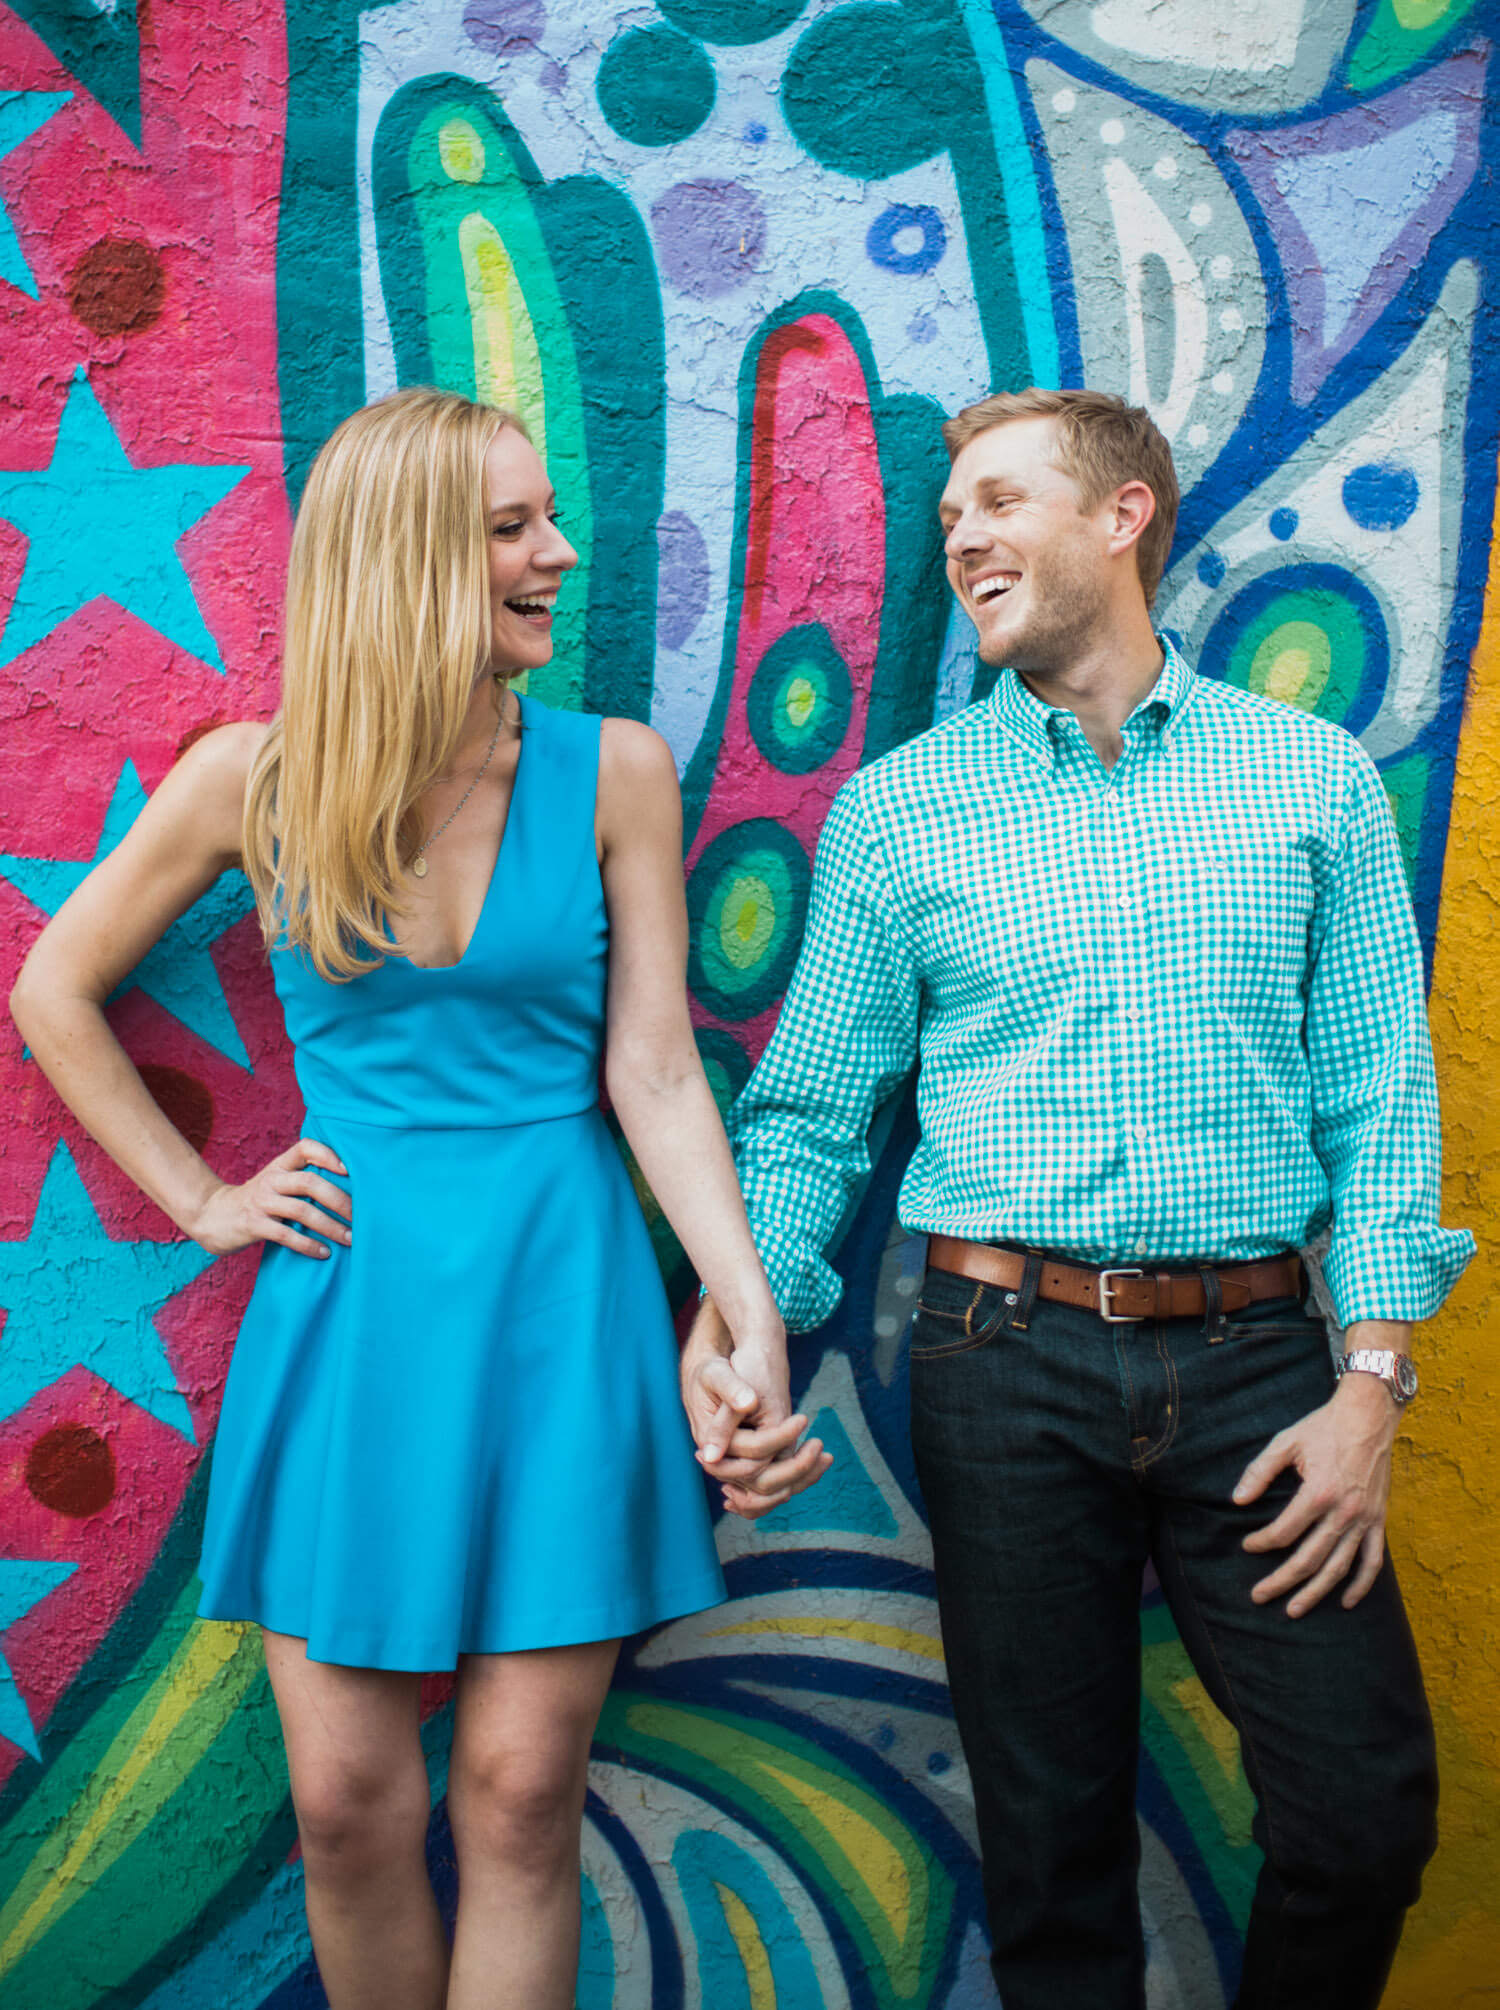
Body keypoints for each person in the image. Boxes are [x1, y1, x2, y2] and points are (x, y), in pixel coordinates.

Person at [10, 386, 827, 2010]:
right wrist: (200, 1195)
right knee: (347, 1806)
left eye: (549, 519)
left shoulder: (614, 774)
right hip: (355, 1313)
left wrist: (746, 1303)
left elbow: (655, 1070)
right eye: (514, 527)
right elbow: (56, 987)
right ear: (408, 556)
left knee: (523, 1798)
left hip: (562, 1302)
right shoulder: (255, 780)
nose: (561, 555)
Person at [685, 387, 1471, 2010]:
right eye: (952, 512)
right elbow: (816, 1116)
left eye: (998, 498)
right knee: (1050, 1858)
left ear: (1124, 518)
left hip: (1265, 1369)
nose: (960, 533)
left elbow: (1384, 1110)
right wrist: (748, 1321)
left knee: (1364, 1813)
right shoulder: (905, 810)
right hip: (1001, 1359)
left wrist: (1372, 1384)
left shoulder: (1307, 783)